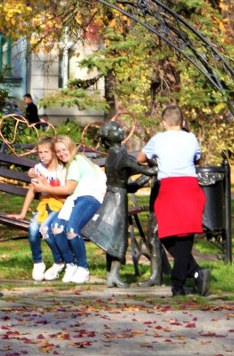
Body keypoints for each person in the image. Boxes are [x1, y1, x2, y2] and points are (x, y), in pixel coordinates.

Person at [136, 106, 211, 297]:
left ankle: (178, 285)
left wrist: (155, 161)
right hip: (189, 187)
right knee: (183, 236)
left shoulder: (158, 139)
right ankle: (195, 272)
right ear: (183, 123)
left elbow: (140, 158)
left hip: (169, 188)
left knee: (167, 234)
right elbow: (197, 159)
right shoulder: (191, 138)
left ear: (163, 123)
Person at [82, 121, 155, 288]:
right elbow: (148, 170)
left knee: (112, 234)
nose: (120, 129)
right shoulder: (123, 157)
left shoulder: (113, 156)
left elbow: (133, 182)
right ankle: (114, 275)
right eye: (115, 129)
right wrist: (156, 167)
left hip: (112, 195)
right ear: (109, 137)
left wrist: (144, 177)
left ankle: (110, 274)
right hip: (118, 199)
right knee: (118, 237)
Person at [32, 135, 106, 284]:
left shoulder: (77, 161)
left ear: (71, 147)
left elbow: (68, 189)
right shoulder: (69, 164)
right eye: (58, 151)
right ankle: (70, 264)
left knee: (72, 229)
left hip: (89, 198)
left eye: (63, 149)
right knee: (56, 227)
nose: (61, 153)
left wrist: (43, 187)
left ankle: (82, 267)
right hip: (75, 199)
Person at [10, 137, 67, 282]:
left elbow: (64, 195)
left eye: (46, 152)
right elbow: (31, 191)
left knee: (46, 229)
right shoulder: (38, 168)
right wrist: (23, 213)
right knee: (33, 229)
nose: (42, 155)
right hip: (43, 207)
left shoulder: (62, 169)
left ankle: (59, 261)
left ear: (54, 152)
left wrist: (45, 183)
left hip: (59, 208)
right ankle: (38, 262)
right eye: (40, 152)